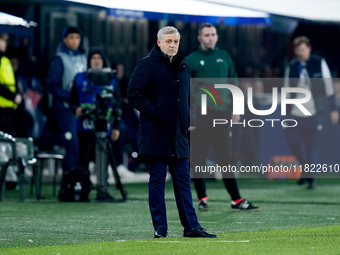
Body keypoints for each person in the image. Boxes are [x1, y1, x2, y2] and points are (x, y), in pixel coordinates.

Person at [127, 26, 216, 238]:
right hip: (156, 134)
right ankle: (160, 228)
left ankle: (191, 227)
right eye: (168, 41)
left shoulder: (184, 66)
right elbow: (133, 94)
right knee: (157, 181)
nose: (173, 45)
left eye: (175, 41)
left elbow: (188, 97)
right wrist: (157, 112)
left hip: (179, 135)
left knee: (183, 182)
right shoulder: (146, 65)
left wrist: (188, 118)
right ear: (159, 42)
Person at [185, 23, 259, 211]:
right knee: (198, 157)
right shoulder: (191, 60)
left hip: (221, 113)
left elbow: (233, 83)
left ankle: (236, 200)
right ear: (199, 38)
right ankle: (202, 198)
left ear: (217, 37)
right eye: (206, 35)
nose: (210, 38)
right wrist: (189, 117)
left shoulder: (224, 57)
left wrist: (236, 109)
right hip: (199, 115)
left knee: (224, 157)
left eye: (213, 34)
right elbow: (184, 91)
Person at [283, 36, 339, 189]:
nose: (300, 53)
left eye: (303, 49)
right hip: (295, 112)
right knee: (294, 143)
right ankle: (306, 171)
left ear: (309, 49)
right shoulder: (292, 67)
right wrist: (285, 114)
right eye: (298, 50)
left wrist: (333, 109)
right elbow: (287, 90)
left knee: (311, 146)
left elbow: (329, 87)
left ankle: (311, 178)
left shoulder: (319, 63)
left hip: (315, 111)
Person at [69, 49, 122, 202]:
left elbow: (118, 104)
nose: (96, 61)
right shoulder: (79, 78)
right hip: (84, 126)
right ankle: (81, 190)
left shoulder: (112, 79)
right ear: (89, 61)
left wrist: (117, 126)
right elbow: (71, 100)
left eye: (99, 58)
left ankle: (103, 190)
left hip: (105, 127)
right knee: (83, 160)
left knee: (103, 160)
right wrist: (76, 109)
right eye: (93, 58)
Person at [46, 26, 87, 173]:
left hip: (82, 107)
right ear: (65, 40)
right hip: (65, 108)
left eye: (77, 38)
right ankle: (71, 178)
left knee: (82, 144)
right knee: (72, 144)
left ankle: (81, 177)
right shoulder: (59, 59)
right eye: (71, 37)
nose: (74, 41)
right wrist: (71, 97)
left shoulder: (83, 57)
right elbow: (52, 86)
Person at [0, 33, 22, 134]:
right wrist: (13, 96)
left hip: (9, 107)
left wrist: (17, 94)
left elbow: (12, 81)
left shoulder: (5, 60)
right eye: (3, 40)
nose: (5, 44)